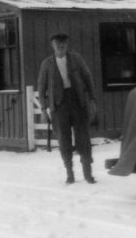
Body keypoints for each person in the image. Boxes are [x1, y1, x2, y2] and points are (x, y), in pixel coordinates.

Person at [37, 33, 98, 184]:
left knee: (83, 138)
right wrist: (44, 109)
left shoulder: (76, 59)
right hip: (58, 106)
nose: (60, 45)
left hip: (78, 103)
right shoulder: (47, 64)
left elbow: (87, 77)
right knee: (64, 140)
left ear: (67, 44)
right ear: (52, 45)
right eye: (57, 43)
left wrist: (91, 99)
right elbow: (41, 87)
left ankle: (87, 173)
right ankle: (69, 173)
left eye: (63, 42)